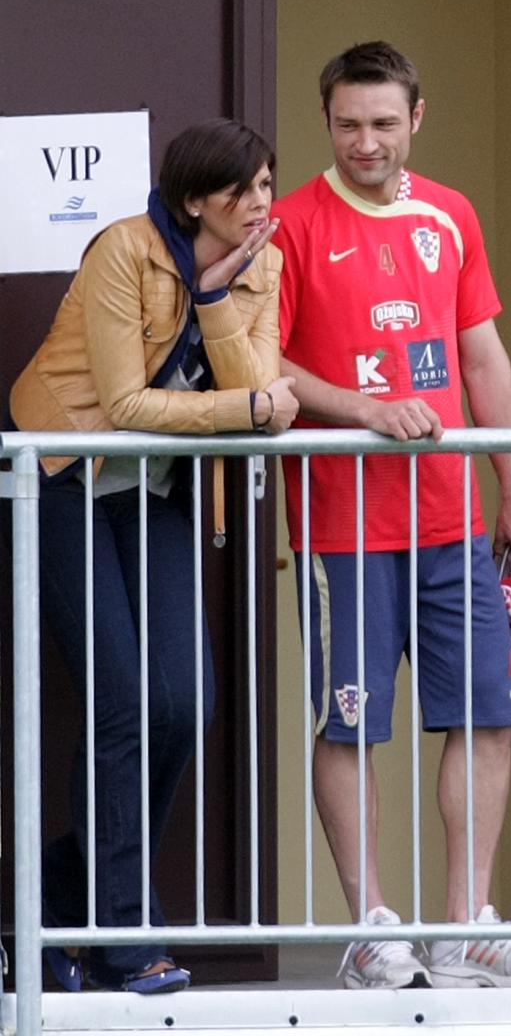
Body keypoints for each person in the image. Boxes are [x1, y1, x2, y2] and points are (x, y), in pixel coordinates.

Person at [272, 41, 511, 990]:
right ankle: (370, 931)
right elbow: (262, 369)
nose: (367, 142)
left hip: (452, 520)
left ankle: (464, 928)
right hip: (342, 525)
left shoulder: (451, 215)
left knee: (486, 712)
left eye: (384, 123)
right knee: (351, 722)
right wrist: (363, 410)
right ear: (327, 122)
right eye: (349, 124)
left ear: (417, 118)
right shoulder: (288, 227)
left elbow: (482, 359)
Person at [11, 118, 298, 994]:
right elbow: (129, 403)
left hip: (160, 490)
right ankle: (126, 935)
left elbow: (262, 391)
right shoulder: (123, 252)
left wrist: (216, 302)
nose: (258, 206)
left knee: (185, 703)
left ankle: (55, 906)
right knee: (123, 701)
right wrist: (244, 413)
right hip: (66, 472)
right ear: (191, 201)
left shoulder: (264, 262)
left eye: (264, 186)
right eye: (239, 191)